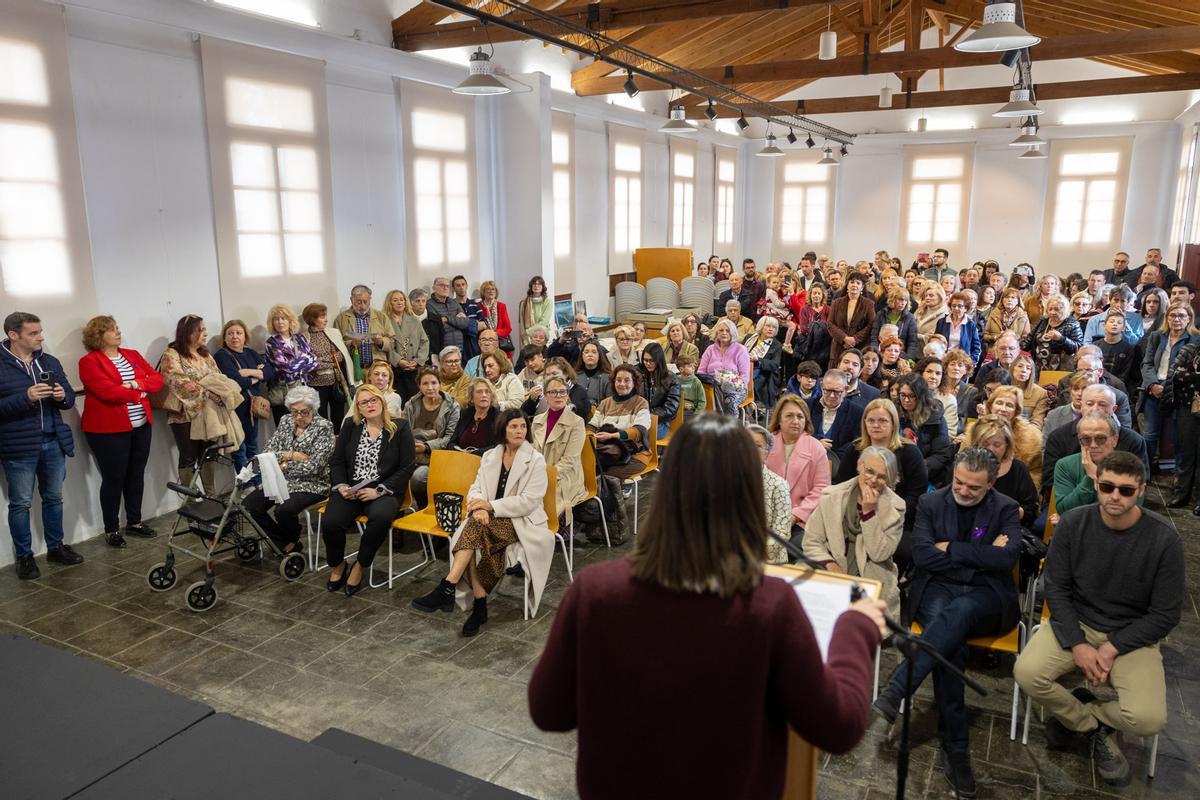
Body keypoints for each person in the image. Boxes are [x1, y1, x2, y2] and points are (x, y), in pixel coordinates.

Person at [529, 412, 886, 798]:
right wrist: (855, 628)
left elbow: (549, 710)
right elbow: (838, 726)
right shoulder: (769, 606)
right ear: (748, 495)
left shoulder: (594, 591)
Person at [1015, 451, 1182, 787]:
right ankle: (1091, 727)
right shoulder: (1074, 522)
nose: (1114, 496)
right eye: (1107, 487)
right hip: (1077, 622)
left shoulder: (1164, 539)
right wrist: (1077, 643)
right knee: (1027, 674)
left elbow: (1165, 614)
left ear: (1141, 490)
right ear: (1097, 484)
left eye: (1125, 490)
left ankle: (1084, 712)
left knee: (1148, 719)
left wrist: (1111, 648)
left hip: (1131, 634)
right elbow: (1057, 590)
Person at [873, 448, 1022, 799]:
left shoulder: (1005, 508)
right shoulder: (932, 502)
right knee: (949, 645)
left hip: (988, 597)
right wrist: (980, 557)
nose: (963, 490)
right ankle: (957, 751)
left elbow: (1007, 558)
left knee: (961, 613)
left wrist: (952, 550)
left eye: (973, 486)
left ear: (991, 484)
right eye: (959, 482)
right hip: (938, 587)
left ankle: (898, 687)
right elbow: (922, 554)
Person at [415, 409, 553, 636]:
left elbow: (529, 502)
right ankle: (478, 605)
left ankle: (449, 587)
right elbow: (475, 488)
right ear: (503, 430)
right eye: (513, 427)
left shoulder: (536, 460)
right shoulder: (491, 456)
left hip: (521, 520)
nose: (519, 431)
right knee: (475, 532)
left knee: (474, 531)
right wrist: (478, 507)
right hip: (486, 516)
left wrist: (489, 506)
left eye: (522, 427)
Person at [0, 312, 83, 578]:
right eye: (33, 333)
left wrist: (61, 396)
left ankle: (56, 548)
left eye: (40, 331)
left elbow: (69, 398)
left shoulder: (48, 361)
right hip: (18, 447)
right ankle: (24, 557)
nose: (41, 337)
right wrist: (25, 397)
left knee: (54, 498)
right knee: (21, 503)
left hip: (53, 442)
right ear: (14, 335)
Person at [78, 315, 164, 548]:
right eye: (112, 330)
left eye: (117, 328)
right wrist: (139, 393)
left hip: (140, 425)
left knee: (136, 474)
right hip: (108, 430)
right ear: (98, 336)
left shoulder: (132, 355)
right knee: (114, 478)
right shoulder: (89, 362)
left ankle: (134, 522)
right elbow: (108, 392)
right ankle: (111, 529)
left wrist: (136, 384)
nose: (118, 332)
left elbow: (156, 380)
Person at [322, 384, 416, 597]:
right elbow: (336, 462)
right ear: (358, 407)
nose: (370, 405)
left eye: (373, 400)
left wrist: (380, 490)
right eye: (364, 402)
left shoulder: (400, 427)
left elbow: (407, 467)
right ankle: (337, 565)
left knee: (381, 518)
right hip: (351, 488)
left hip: (384, 489)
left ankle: (360, 565)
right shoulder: (350, 425)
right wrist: (342, 486)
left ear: (382, 402)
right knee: (331, 522)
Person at [808, 446, 906, 614]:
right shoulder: (832, 495)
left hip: (871, 575)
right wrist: (830, 564)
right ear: (860, 465)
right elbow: (811, 541)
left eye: (882, 477)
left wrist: (869, 514)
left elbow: (879, 554)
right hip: (832, 569)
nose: (873, 480)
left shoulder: (896, 507)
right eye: (869, 471)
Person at [243, 386, 335, 555]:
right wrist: (290, 454)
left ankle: (289, 541)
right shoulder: (286, 420)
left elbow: (314, 466)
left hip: (313, 484)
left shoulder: (324, 426)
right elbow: (268, 451)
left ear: (314, 409)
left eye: (304, 412)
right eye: (294, 412)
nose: (298, 417)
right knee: (249, 506)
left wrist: (283, 464)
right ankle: (284, 542)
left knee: (283, 510)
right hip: (280, 479)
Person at [1043, 383, 1149, 494]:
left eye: (1102, 404)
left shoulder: (1134, 440)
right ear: (1081, 406)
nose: (1095, 409)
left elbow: (1140, 482)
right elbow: (1050, 482)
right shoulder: (1058, 437)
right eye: (1089, 404)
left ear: (1113, 409)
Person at [160, 314, 224, 489]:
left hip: (208, 413)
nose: (205, 333)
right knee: (188, 456)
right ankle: (190, 501)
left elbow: (218, 377)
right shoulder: (171, 354)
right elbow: (178, 382)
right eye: (200, 330)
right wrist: (209, 394)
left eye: (204, 329)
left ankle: (211, 497)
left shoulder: (205, 354)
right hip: (183, 415)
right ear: (187, 332)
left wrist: (216, 392)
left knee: (208, 453)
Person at [1140, 300, 1200, 483]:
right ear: (1167, 317)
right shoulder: (1158, 336)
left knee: (1180, 438)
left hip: (1180, 394)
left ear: (1189, 318)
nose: (1176, 319)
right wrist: (1152, 385)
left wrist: (1168, 386)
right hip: (1154, 389)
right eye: (1172, 315)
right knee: (1149, 435)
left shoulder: (1196, 339)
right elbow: (1147, 363)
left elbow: (1193, 371)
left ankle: (1179, 479)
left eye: (1182, 315)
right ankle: (1145, 473)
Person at [765, 394, 831, 539]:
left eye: (800, 417)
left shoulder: (816, 448)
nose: (795, 421)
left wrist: (795, 515)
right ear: (779, 419)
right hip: (767, 515)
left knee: (791, 549)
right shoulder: (766, 444)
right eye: (789, 416)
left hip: (803, 519)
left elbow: (821, 489)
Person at [214, 319, 273, 474]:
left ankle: (256, 482)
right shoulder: (222, 356)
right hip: (235, 410)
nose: (235, 337)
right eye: (230, 333)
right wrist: (257, 376)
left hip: (252, 409)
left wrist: (249, 373)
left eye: (238, 333)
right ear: (225, 337)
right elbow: (236, 381)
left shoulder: (251, 353)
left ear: (245, 336)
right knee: (240, 450)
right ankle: (246, 486)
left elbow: (269, 373)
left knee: (253, 448)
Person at [529, 376, 587, 528]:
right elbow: (531, 453)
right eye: (553, 392)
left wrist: (545, 476)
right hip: (539, 474)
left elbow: (570, 461)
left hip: (565, 477)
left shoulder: (577, 423)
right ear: (546, 396)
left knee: (538, 511)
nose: (558, 396)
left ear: (568, 395)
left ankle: (538, 540)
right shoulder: (537, 421)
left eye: (562, 392)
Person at [967, 415, 1039, 527]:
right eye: (985, 444)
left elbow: (1030, 510)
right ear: (976, 444)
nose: (990, 449)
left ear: (1007, 445)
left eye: (997, 445)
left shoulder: (1018, 469)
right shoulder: (964, 465)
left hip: (1006, 527)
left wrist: (1007, 512)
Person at [403, 367, 460, 506]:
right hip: (411, 454)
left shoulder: (452, 406)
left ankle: (425, 507)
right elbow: (402, 432)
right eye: (425, 384)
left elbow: (449, 438)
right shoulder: (410, 405)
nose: (430, 387)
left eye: (434, 383)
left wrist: (426, 447)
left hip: (437, 458)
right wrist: (411, 446)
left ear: (440, 384)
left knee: (417, 478)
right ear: (419, 386)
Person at [1051, 413, 1128, 516]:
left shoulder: (1129, 467)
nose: (1093, 445)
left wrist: (1098, 477)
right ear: (1080, 441)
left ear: (1115, 440)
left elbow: (1127, 512)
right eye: (1086, 439)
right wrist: (1090, 478)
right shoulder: (1064, 465)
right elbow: (1064, 510)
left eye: (1100, 438)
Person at [589, 364, 653, 480]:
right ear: (613, 382)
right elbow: (592, 426)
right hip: (606, 450)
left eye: (627, 380)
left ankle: (618, 491)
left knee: (606, 476)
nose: (622, 384)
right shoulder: (605, 403)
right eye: (618, 380)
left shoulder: (641, 403)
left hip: (636, 454)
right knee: (587, 469)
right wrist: (590, 435)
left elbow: (639, 431)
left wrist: (612, 435)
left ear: (634, 383)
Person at [746, 424, 797, 564]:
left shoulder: (778, 484)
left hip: (768, 560)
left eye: (757, 446)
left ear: (767, 451)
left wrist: (752, 554)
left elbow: (782, 530)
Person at [895, 373, 954, 487]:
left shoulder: (935, 417)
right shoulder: (894, 412)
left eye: (911, 396)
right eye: (903, 395)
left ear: (921, 396)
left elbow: (942, 454)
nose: (906, 400)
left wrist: (919, 467)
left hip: (925, 473)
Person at [265, 304, 317, 423]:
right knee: (286, 430)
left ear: (290, 320)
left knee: (304, 427)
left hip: (302, 390)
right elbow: (286, 367)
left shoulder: (300, 338)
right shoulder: (272, 343)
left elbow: (314, 361)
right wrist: (305, 359)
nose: (280, 322)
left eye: (283, 318)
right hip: (283, 393)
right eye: (276, 319)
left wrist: (301, 362)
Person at [334, 284, 393, 376]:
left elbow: (392, 342)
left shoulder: (381, 317)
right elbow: (336, 345)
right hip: (353, 368)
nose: (362, 306)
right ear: (351, 300)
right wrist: (351, 343)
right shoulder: (341, 319)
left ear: (370, 299)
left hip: (377, 369)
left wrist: (381, 342)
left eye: (365, 301)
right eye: (359, 302)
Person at [381, 289, 429, 402]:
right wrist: (399, 361)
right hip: (395, 369)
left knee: (415, 401)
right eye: (395, 300)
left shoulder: (414, 319)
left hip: (414, 368)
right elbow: (385, 345)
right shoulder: (384, 321)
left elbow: (424, 341)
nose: (399, 302)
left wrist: (418, 361)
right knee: (398, 401)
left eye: (402, 300)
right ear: (389, 303)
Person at [809, 369, 863, 463]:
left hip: (840, 465)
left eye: (837, 392)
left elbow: (856, 442)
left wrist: (832, 459)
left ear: (846, 389)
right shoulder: (807, 406)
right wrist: (815, 444)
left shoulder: (856, 412)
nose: (832, 396)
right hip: (808, 460)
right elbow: (800, 435)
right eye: (828, 390)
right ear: (822, 386)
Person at [827, 272, 876, 366]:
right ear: (847, 285)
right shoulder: (836, 302)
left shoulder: (869, 304)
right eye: (852, 282)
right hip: (839, 346)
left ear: (862, 287)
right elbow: (830, 323)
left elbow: (871, 325)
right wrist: (844, 338)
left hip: (859, 347)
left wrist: (855, 339)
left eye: (858, 283)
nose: (854, 285)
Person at [637, 342, 680, 439]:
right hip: (639, 418)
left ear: (659, 360)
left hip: (660, 422)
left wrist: (648, 415)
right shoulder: (639, 374)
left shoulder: (671, 378)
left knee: (638, 432)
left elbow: (671, 409)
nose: (647, 364)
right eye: (645, 360)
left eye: (651, 360)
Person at [449, 377, 501, 453]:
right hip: (461, 460)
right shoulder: (465, 414)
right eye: (479, 392)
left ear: (491, 396)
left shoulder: (498, 417)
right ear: (471, 397)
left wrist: (474, 453)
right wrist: (460, 451)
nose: (484, 395)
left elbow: (498, 447)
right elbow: (452, 443)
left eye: (487, 392)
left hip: (486, 462)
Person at [743, 316, 783, 409]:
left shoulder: (776, 345)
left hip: (763, 372)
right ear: (761, 326)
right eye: (768, 326)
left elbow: (775, 364)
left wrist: (758, 359)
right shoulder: (750, 338)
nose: (771, 329)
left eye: (774, 327)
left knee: (754, 382)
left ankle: (753, 407)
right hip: (744, 368)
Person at [870, 287, 919, 360]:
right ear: (893, 300)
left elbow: (912, 342)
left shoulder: (910, 318)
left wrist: (908, 358)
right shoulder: (881, 314)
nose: (903, 303)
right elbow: (874, 336)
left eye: (905, 300)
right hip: (881, 353)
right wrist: (876, 353)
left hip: (900, 355)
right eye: (900, 299)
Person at [914, 356, 958, 435]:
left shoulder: (949, 400)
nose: (933, 377)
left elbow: (950, 433)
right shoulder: (910, 394)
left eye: (938, 373)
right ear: (920, 373)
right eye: (929, 371)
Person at [936, 291, 983, 364]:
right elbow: (936, 342)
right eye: (954, 306)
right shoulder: (942, 322)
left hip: (962, 362)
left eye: (960, 306)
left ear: (966, 308)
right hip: (943, 360)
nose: (956, 308)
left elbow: (976, 347)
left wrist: (971, 363)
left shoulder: (970, 324)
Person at [1044, 370, 1090, 444]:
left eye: (1085, 389)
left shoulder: (1100, 416)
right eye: (1075, 389)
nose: (1080, 393)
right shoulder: (1053, 415)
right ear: (1070, 391)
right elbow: (1045, 447)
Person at [426, 276, 470, 352]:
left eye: (447, 286)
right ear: (434, 288)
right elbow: (437, 326)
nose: (445, 288)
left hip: (459, 347)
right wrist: (457, 322)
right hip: (441, 348)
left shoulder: (454, 302)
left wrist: (447, 319)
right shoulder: (429, 304)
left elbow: (465, 323)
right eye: (442, 285)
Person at [1096, 308, 1137, 387]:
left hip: (1117, 386)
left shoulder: (1128, 349)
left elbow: (1125, 374)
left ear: (1123, 328)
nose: (1115, 324)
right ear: (1104, 325)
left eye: (1119, 322)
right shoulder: (1095, 346)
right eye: (1111, 321)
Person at [1010, 354, 1049, 428]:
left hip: (1025, 431)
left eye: (1028, 368)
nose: (1024, 370)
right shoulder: (1002, 387)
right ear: (1012, 368)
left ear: (1031, 373)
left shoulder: (1041, 393)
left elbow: (1037, 422)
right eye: (1020, 366)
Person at [451, 275, 483, 359]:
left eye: (463, 284)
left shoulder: (475, 304)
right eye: (458, 285)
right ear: (453, 288)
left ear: (467, 286)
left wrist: (463, 321)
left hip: (475, 344)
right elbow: (451, 326)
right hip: (458, 344)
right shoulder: (450, 306)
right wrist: (473, 323)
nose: (461, 287)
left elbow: (484, 325)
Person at [476, 279, 513, 353]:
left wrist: (493, 334)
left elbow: (508, 328)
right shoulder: (477, 306)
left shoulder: (501, 306)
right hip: (484, 345)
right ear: (483, 292)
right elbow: (476, 327)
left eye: (493, 289)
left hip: (500, 345)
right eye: (488, 289)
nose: (491, 291)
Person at [409, 288, 442, 360]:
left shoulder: (435, 318)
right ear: (411, 302)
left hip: (432, 358)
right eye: (417, 301)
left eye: (423, 301)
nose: (421, 304)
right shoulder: (406, 319)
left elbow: (441, 339)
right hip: (412, 358)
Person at [575, 341, 611, 408]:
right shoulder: (575, 376)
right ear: (582, 355)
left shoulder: (607, 377)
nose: (590, 355)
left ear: (599, 355)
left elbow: (610, 403)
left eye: (594, 352)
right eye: (586, 352)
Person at [914, 283, 948, 347]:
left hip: (930, 351)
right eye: (926, 295)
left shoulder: (944, 315)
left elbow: (934, 337)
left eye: (931, 295)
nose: (927, 298)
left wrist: (913, 335)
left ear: (940, 297)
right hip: (914, 348)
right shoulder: (920, 309)